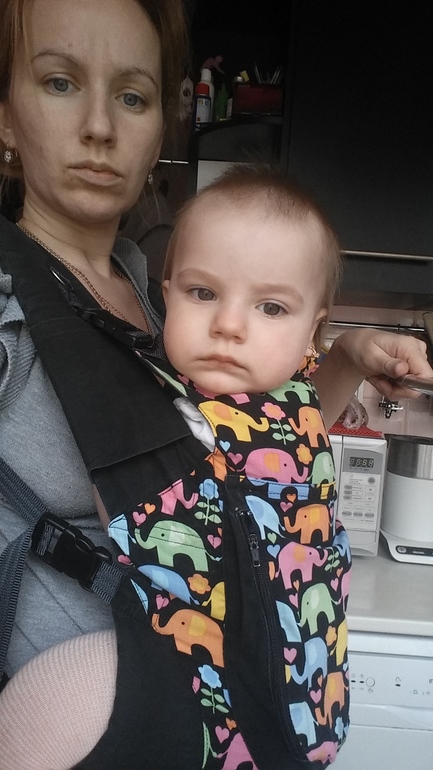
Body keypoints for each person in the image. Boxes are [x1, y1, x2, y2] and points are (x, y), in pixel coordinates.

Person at [0, 0, 431, 766]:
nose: (99, 125)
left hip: (254, 696)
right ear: (5, 116)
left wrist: (342, 358)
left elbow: (272, 437)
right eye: (60, 82)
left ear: (159, 131)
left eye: (131, 95)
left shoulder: (158, 296)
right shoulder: (13, 306)